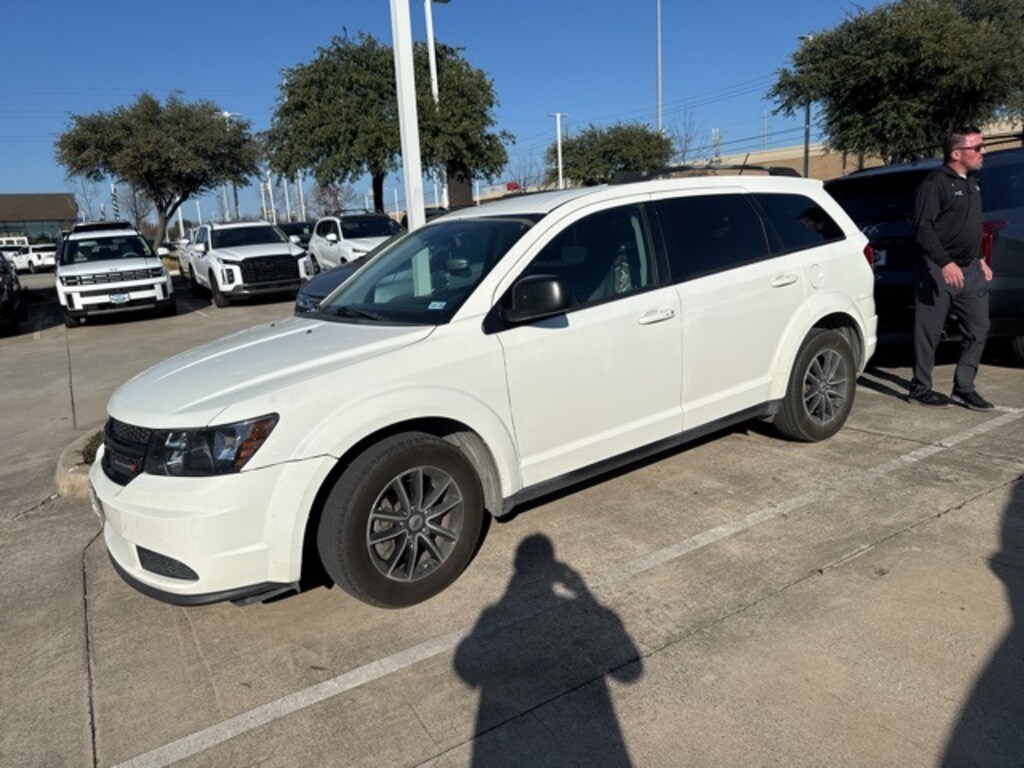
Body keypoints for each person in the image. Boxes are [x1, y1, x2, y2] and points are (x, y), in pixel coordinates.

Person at [908, 126, 994, 410]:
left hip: (970, 269)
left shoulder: (972, 182)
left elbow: (970, 226)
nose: (984, 152)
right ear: (957, 153)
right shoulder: (934, 184)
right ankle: (921, 388)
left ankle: (964, 388)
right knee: (929, 332)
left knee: (979, 328)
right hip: (938, 268)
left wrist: (980, 259)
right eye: (978, 148)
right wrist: (944, 262)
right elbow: (924, 229)